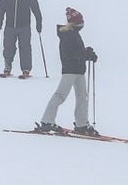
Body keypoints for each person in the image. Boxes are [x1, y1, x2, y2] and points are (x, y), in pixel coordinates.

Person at [36, 7, 99, 136]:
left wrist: (87, 53)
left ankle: (81, 124)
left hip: (78, 70)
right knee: (60, 95)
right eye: (81, 20)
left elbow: (76, 52)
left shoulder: (73, 34)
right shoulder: (69, 35)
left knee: (82, 97)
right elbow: (70, 53)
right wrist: (85, 54)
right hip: (70, 70)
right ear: (76, 23)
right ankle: (47, 121)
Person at [0, 0, 43, 79]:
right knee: (8, 47)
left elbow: (36, 9)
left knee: (25, 47)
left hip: (24, 27)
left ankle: (26, 69)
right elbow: (1, 8)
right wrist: (0, 21)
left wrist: (39, 22)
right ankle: (7, 68)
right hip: (10, 26)